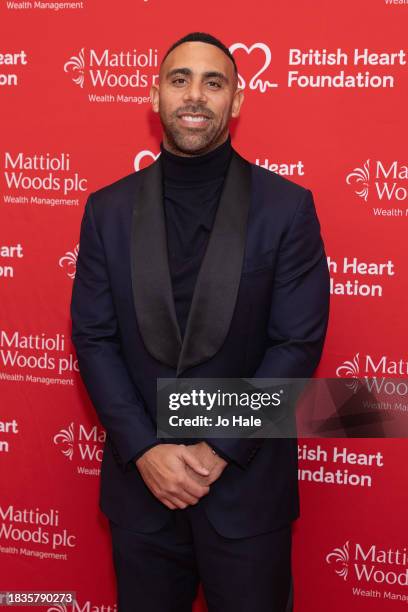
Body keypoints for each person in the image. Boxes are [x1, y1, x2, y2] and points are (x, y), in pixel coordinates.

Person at [71, 31, 330, 612]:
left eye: (214, 82)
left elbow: (296, 342)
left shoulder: (286, 208)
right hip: (142, 493)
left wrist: (217, 447)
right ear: (155, 96)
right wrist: (144, 450)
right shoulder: (106, 210)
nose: (195, 95)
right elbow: (93, 337)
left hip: (245, 490)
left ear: (236, 102)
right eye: (179, 79)